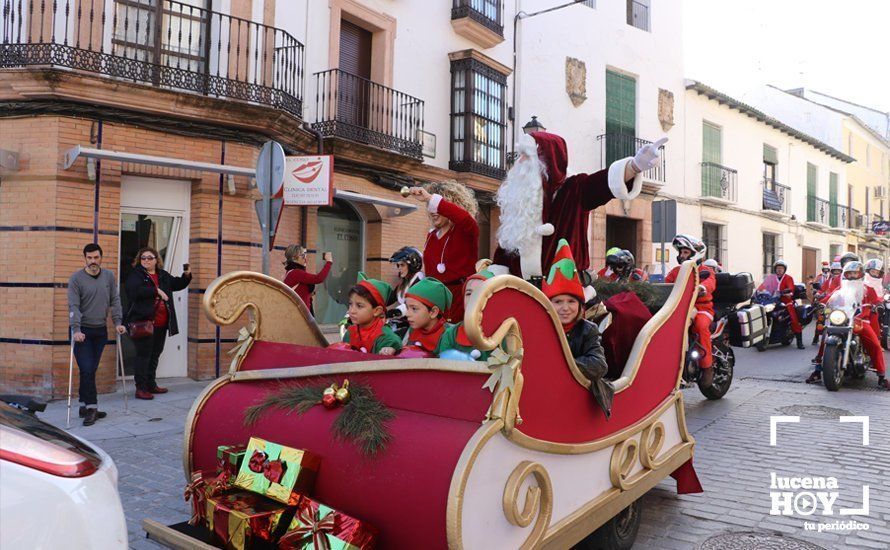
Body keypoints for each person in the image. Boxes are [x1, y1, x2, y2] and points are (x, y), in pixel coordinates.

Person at [491, 130, 664, 279]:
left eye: (526, 156)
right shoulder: (521, 202)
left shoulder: (574, 189)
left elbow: (603, 183)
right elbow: (504, 254)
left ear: (548, 160)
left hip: (565, 295)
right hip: (522, 293)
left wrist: (634, 166)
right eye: (520, 155)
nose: (519, 162)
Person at [542, 239, 612, 418]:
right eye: (558, 302)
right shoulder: (540, 328)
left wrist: (561, 365)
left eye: (571, 301)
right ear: (548, 305)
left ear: (580, 306)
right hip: (547, 396)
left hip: (580, 400)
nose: (565, 308)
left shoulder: (587, 330)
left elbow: (599, 365)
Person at [67, 243, 126, 426]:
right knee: (86, 369)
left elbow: (115, 300)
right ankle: (92, 408)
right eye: (89, 258)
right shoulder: (76, 278)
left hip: (100, 330)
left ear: (101, 257)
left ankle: (84, 405)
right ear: (85, 258)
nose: (93, 261)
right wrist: (76, 329)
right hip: (82, 331)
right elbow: (73, 306)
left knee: (90, 370)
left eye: (96, 257)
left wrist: (118, 322)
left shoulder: (108, 276)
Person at [406, 181, 479, 323]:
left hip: (459, 298)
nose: (432, 210)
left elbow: (464, 218)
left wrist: (429, 198)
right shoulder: (432, 235)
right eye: (429, 207)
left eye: (436, 206)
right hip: (435, 300)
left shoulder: (465, 230)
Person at [806, 261, 887, 389]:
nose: (853, 276)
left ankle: (882, 376)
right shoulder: (841, 290)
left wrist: (878, 305)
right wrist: (820, 303)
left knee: (875, 344)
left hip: (860, 321)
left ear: (861, 274)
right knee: (825, 338)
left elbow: (876, 300)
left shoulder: (868, 289)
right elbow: (829, 298)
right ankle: (817, 370)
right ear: (846, 275)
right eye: (850, 273)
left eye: (855, 273)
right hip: (842, 319)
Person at [124, 247, 192, 400]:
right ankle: (140, 388)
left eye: (150, 258)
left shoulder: (162, 275)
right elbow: (133, 291)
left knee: (155, 354)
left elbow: (177, 284)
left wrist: (186, 275)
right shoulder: (136, 274)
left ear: (156, 260)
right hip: (144, 322)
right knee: (143, 355)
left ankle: (151, 384)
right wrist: (156, 291)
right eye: (143, 258)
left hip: (161, 323)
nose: (146, 260)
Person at [664, 234, 716, 386]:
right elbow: (667, 285)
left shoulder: (705, 270)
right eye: (680, 252)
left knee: (700, 325)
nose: (681, 255)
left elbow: (710, 283)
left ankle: (707, 367)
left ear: (695, 253)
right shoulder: (676, 271)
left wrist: (702, 287)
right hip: (680, 308)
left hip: (702, 309)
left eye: (685, 252)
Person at [438, 269, 495, 361]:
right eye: (468, 293)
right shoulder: (451, 334)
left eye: (480, 292)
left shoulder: (503, 333)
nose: (473, 297)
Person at [338, 273, 402, 355]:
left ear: (377, 311)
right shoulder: (350, 333)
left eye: (359, 306)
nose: (352, 311)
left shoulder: (388, 339)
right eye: (350, 304)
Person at [757, 260, 805, 349]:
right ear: (775, 269)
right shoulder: (771, 278)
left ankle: (799, 341)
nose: (779, 270)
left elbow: (791, 288)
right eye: (778, 268)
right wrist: (756, 293)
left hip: (786, 301)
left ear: (784, 270)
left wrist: (788, 292)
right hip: (772, 300)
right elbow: (762, 286)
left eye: (781, 268)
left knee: (793, 317)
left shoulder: (788, 278)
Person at [403, 278, 453, 356]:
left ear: (433, 312)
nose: (407, 314)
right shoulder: (413, 330)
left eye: (414, 308)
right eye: (407, 308)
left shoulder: (450, 335)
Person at [283, 245, 332, 316]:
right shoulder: (296, 273)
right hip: (299, 315)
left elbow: (299, 291)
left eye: (305, 255)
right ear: (293, 258)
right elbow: (319, 278)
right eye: (302, 256)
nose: (305, 259)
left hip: (300, 313)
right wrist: (329, 262)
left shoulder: (292, 271)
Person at [387, 246, 425, 317]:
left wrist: (397, 311)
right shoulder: (404, 283)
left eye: (402, 265)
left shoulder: (420, 282)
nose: (399, 268)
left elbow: (413, 302)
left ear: (412, 265)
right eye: (398, 265)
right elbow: (390, 298)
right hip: (407, 319)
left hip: (417, 322)